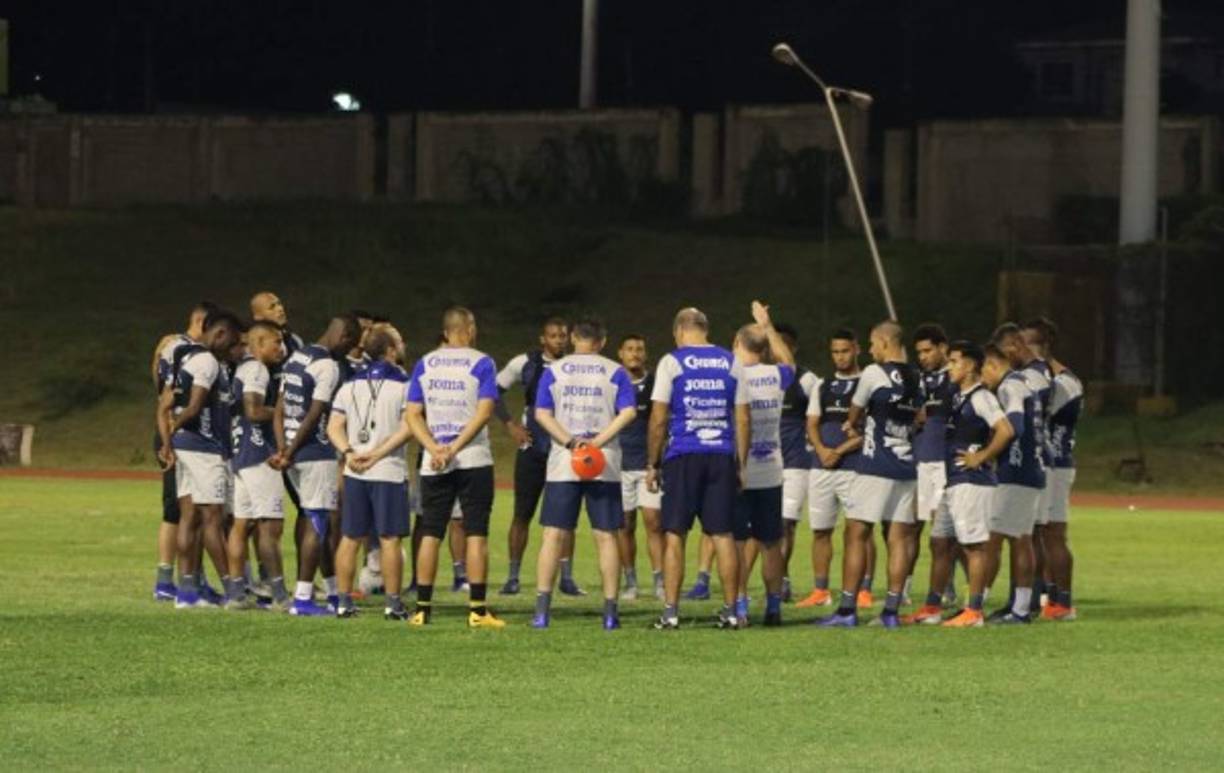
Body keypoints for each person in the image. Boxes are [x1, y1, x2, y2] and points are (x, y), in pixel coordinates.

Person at [646, 307, 750, 630]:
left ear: (679, 330)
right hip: (721, 455)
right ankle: (732, 611)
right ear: (706, 329)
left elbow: (659, 418)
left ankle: (671, 613)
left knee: (675, 533)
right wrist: (740, 464)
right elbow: (743, 418)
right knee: (723, 534)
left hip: (683, 454)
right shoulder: (732, 361)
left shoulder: (672, 362)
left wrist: (653, 463)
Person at [530, 317, 637, 629]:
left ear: (574, 338)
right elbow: (628, 412)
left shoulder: (554, 370)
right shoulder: (614, 371)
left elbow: (541, 414)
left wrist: (571, 442)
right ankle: (610, 614)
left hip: (565, 461)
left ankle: (541, 612)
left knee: (553, 535)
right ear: (602, 342)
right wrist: (597, 442)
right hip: (603, 461)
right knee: (606, 537)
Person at [402, 307, 505, 628]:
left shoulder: (425, 363)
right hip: (472, 458)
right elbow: (485, 411)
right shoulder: (482, 362)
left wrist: (435, 448)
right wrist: (455, 448)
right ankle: (477, 610)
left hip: (434, 461)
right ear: (470, 330)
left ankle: (422, 609)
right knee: (476, 532)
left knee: (431, 532)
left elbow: (412, 414)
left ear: (446, 332)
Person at [819, 321, 920, 629]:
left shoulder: (874, 374)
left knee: (856, 534)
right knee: (899, 538)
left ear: (883, 341)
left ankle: (847, 610)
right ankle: (890, 612)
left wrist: (855, 423)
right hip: (906, 466)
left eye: (874, 344)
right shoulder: (917, 377)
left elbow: (854, 411)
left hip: (875, 466)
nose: (872, 350)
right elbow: (919, 418)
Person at [909, 341, 1014, 627]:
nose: (950, 367)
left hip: (972, 482)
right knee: (940, 542)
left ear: (969, 366)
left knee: (974, 547)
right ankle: (932, 607)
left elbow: (1005, 430)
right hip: (952, 482)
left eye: (955, 362)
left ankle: (974, 611)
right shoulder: (957, 396)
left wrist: (981, 455)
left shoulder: (982, 397)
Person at [270, 314, 362, 616]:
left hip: (294, 452)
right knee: (318, 522)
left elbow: (281, 408)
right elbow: (315, 413)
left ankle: (332, 592)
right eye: (351, 344)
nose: (349, 351)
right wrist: (292, 450)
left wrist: (283, 447)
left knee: (310, 517)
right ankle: (304, 598)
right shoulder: (328, 366)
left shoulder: (297, 357)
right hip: (314, 452)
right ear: (345, 336)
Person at [158, 310, 243, 609]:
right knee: (212, 518)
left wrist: (169, 440)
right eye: (235, 341)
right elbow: (193, 407)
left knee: (190, 517)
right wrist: (176, 428)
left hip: (185, 446)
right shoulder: (207, 361)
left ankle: (187, 593)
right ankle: (233, 591)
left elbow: (165, 403)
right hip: (203, 447)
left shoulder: (184, 358)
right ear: (220, 334)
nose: (238, 348)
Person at [327, 325, 412, 621]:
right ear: (390, 350)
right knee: (390, 538)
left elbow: (333, 426)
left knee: (350, 537)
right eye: (399, 341)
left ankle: (342, 602)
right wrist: (378, 453)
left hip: (355, 472)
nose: (402, 345)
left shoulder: (349, 385)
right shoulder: (405, 385)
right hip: (388, 471)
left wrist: (349, 453)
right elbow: (408, 427)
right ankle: (392, 604)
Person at [496, 317, 585, 596]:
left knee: (566, 517)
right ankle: (512, 577)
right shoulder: (524, 363)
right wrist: (511, 425)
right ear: (542, 339)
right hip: (533, 450)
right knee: (522, 514)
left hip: (563, 451)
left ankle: (567, 578)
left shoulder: (575, 366)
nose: (558, 340)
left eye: (562, 335)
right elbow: (492, 391)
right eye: (553, 335)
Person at [730, 302, 794, 626]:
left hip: (740, 471)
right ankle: (773, 608)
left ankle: (739, 607)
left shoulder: (732, 376)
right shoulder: (776, 375)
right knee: (771, 544)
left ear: (736, 345)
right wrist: (768, 326)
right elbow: (790, 362)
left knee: (738, 543)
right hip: (771, 469)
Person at [150, 300, 216, 601]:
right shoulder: (184, 349)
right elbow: (166, 395)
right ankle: (170, 579)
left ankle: (185, 578)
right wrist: (168, 435)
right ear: (202, 322)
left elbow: (159, 385)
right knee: (180, 511)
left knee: (186, 510)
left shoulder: (172, 345)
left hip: (174, 429)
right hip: (178, 431)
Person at [223, 322, 289, 610]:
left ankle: (236, 593)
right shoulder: (256, 370)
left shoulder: (242, 369)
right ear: (259, 343)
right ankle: (279, 595)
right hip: (258, 453)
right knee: (270, 525)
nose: (281, 348)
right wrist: (283, 413)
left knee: (242, 524)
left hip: (240, 454)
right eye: (276, 342)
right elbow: (253, 410)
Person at [796, 329, 864, 609]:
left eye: (845, 351)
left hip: (854, 467)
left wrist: (838, 451)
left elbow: (868, 429)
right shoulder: (822, 385)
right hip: (821, 467)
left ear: (856, 349)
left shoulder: (866, 384)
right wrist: (823, 451)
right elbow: (811, 423)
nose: (840, 357)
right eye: (835, 352)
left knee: (857, 530)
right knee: (820, 530)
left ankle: (862, 590)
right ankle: (820, 590)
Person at [980, 344, 1045, 624]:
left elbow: (1015, 426)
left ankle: (978, 605)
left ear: (993, 365)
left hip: (1017, 472)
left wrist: (984, 454)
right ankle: (1018, 608)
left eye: (982, 371)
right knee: (1020, 539)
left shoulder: (1010, 388)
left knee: (996, 539)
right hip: (1030, 470)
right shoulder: (1023, 383)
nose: (982, 379)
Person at [1023, 318, 1081, 621]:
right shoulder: (1046, 378)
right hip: (1050, 463)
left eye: (1026, 343)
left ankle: (1062, 602)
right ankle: (1048, 597)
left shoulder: (1064, 383)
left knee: (1051, 534)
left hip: (1055, 465)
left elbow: (1038, 415)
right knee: (1041, 533)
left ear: (1043, 345)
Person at [615, 333, 665, 601]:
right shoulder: (612, 382)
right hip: (619, 466)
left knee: (654, 522)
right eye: (630, 349)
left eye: (640, 349)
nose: (635, 353)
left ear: (645, 355)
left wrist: (655, 462)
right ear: (620, 353)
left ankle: (659, 582)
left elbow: (660, 423)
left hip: (648, 465)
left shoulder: (655, 383)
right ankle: (630, 582)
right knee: (624, 525)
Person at [912, 323, 958, 606]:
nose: (923, 356)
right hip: (919, 461)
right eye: (919, 352)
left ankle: (949, 587)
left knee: (945, 532)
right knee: (912, 527)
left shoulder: (954, 379)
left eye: (928, 350)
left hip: (944, 463)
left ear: (943, 348)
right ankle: (903, 587)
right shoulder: (916, 379)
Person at [774, 323, 819, 604]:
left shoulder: (807, 380)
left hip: (796, 462)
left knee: (785, 523)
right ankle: (778, 577)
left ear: (792, 348)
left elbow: (819, 417)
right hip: (765, 462)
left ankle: (781, 580)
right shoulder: (760, 378)